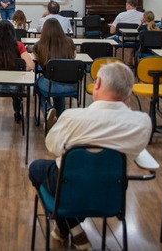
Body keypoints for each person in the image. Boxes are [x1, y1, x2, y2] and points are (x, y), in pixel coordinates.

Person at [28, 62, 152, 250]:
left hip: (69, 184)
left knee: (37, 168)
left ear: (98, 82)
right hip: (110, 192)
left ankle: (71, 227)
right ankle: (71, 229)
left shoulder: (72, 117)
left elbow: (52, 146)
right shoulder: (142, 123)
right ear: (129, 93)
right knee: (80, 184)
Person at [0, 21, 35, 123]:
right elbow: (31, 65)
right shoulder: (18, 45)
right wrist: (20, 69)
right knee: (18, 89)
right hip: (14, 86)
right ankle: (17, 113)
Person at [33, 18, 77, 124]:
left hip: (50, 85)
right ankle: (60, 118)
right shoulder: (69, 42)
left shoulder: (39, 45)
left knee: (37, 84)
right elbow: (73, 58)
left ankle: (48, 110)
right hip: (70, 85)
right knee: (58, 84)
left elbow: (37, 65)